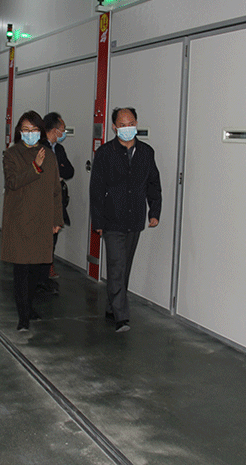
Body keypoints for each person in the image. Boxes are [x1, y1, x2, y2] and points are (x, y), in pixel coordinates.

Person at [89, 107, 161, 333]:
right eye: (122, 124)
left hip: (135, 218)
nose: (127, 127)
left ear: (136, 124)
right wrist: (98, 222)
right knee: (116, 266)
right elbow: (96, 190)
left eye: (130, 123)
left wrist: (154, 212)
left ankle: (112, 308)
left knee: (124, 267)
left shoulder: (146, 152)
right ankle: (122, 317)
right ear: (114, 127)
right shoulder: (105, 153)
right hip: (112, 219)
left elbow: (153, 183)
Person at [1, 111, 63, 331]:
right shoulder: (11, 154)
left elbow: (56, 190)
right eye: (26, 129)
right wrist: (35, 167)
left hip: (42, 220)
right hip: (19, 220)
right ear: (19, 131)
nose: (30, 133)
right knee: (21, 271)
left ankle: (28, 307)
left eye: (34, 129)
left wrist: (57, 219)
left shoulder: (50, 155)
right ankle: (23, 316)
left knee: (37, 270)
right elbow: (13, 182)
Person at [39, 112, 74, 291]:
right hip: (40, 201)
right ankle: (38, 277)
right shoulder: (39, 146)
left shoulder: (58, 149)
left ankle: (45, 274)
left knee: (52, 238)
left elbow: (69, 171)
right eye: (63, 129)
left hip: (56, 200)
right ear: (54, 130)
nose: (64, 133)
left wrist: (56, 171)